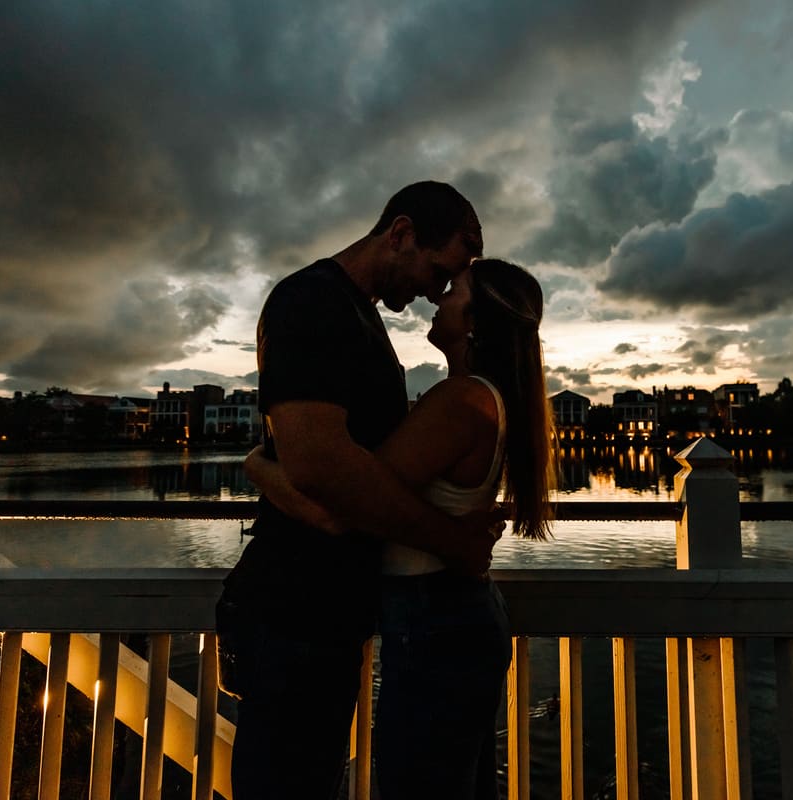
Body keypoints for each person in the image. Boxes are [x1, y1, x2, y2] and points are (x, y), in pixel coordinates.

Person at [220, 181, 504, 800]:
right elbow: (329, 484)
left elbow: (361, 470)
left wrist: (256, 465)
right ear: (399, 233)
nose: (436, 292)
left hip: (331, 623)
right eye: (438, 270)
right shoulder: (310, 302)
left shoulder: (365, 323)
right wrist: (454, 542)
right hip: (290, 618)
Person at [245, 258, 556, 799]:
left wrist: (257, 465)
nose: (440, 298)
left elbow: (342, 502)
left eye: (455, 291)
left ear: (478, 320)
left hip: (434, 620)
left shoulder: (459, 400)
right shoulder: (482, 397)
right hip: (447, 615)